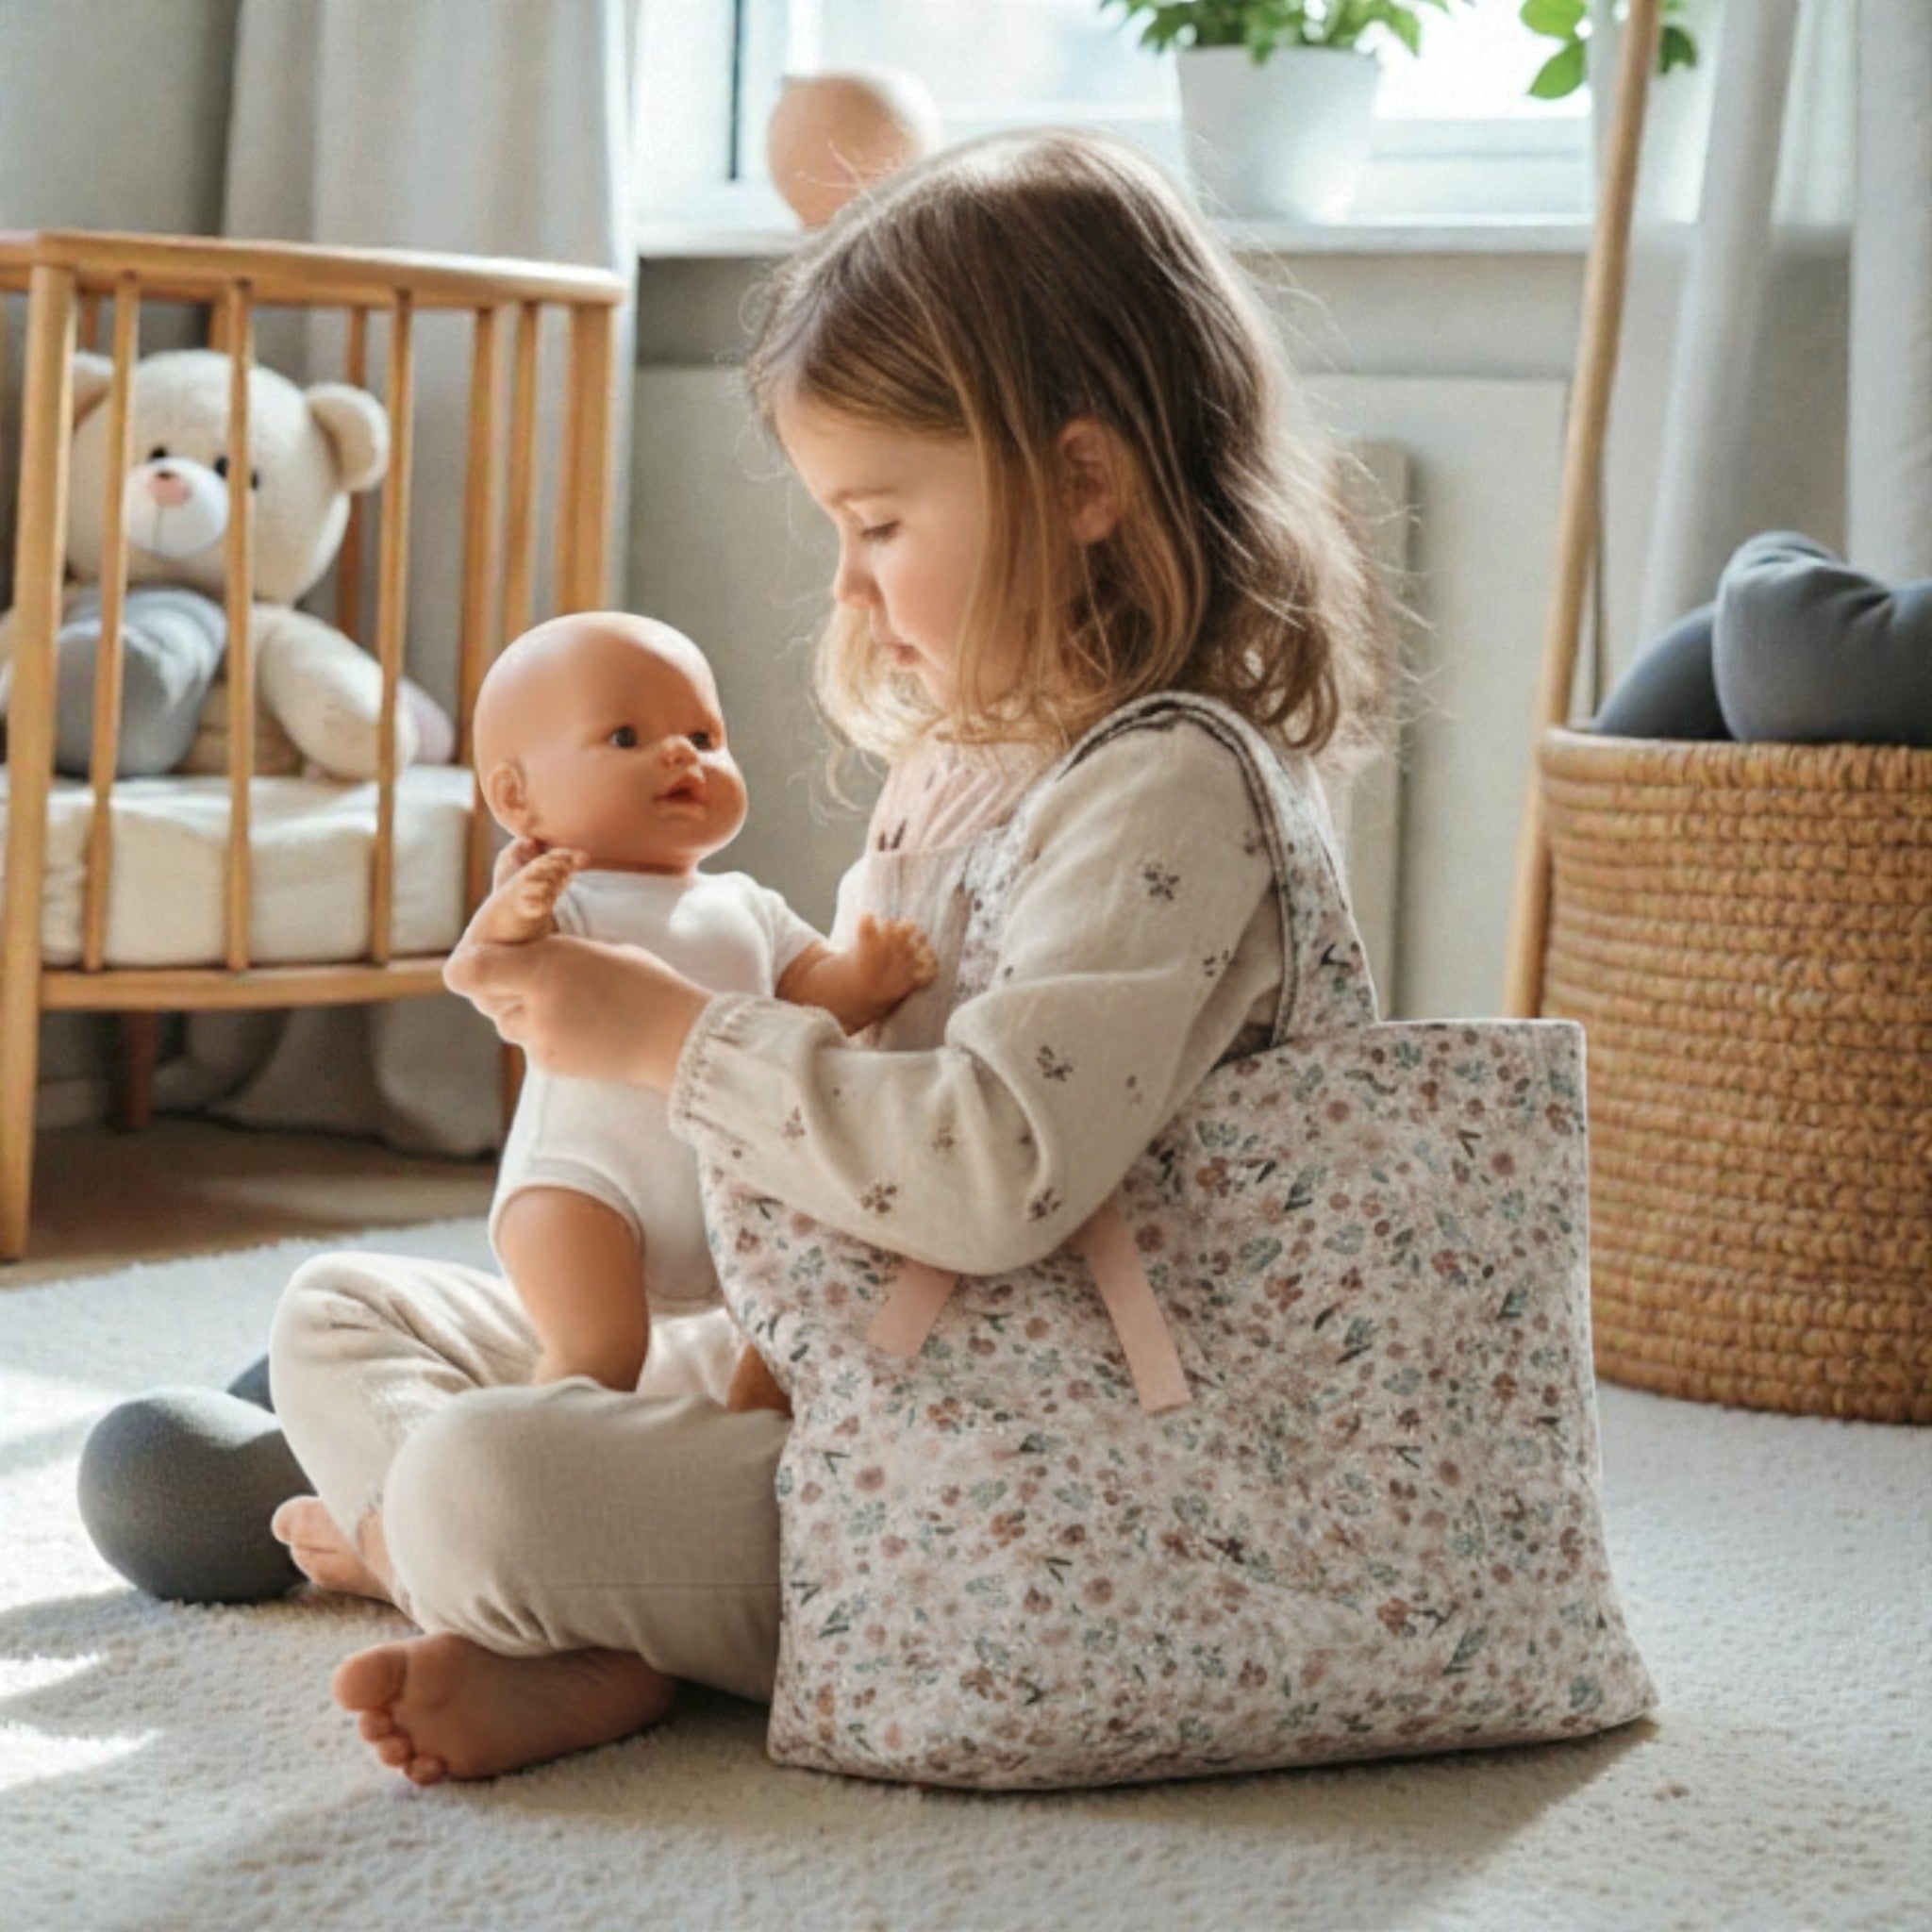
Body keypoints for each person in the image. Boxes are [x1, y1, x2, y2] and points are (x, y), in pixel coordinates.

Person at [264, 125, 1389, 1788]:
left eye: (873, 523)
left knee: (479, 1481)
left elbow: (995, 1170)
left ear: (1083, 483)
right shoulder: (969, 765)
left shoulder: (1169, 785)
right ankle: (557, 1603)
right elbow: (855, 1134)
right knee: (337, 1301)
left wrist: (671, 1040)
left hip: (1038, 1476)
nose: (849, 588)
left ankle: (498, 1570)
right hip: (854, 1376)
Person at [468, 608, 935, 1400]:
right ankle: (531, 1448)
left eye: (706, 737)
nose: (682, 753)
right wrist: (517, 909)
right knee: (599, 1356)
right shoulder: (570, 897)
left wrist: (868, 978)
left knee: (784, 1363)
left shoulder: (745, 904)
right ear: (519, 799)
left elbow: (811, 996)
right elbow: (487, 968)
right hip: (584, 1191)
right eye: (626, 737)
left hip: (736, 1210)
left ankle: (716, 1466)